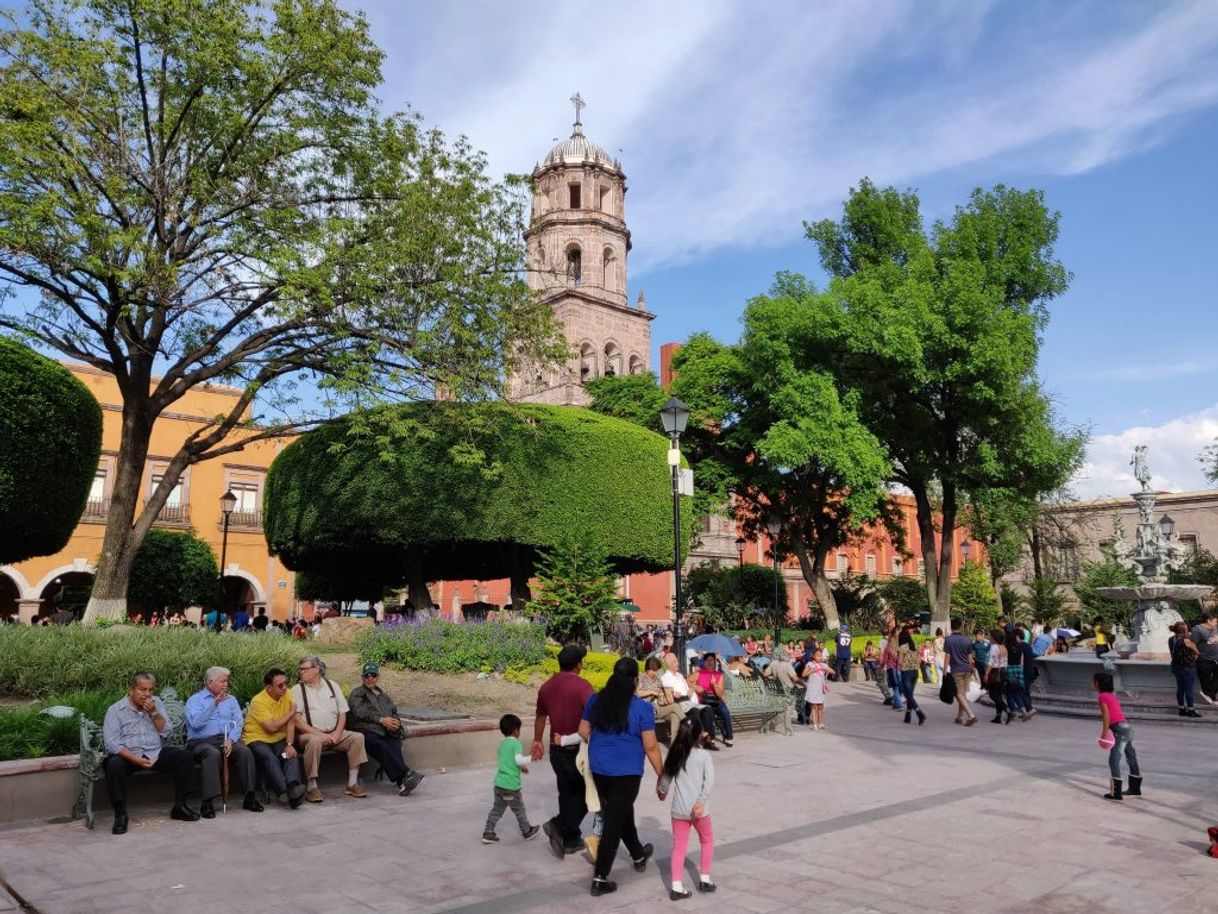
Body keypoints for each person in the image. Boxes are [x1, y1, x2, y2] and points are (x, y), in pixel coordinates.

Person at [578, 657, 665, 897]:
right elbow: (651, 747)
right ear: (635, 681)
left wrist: (602, 745)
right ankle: (600, 877)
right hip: (626, 773)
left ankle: (638, 854)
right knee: (613, 823)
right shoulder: (642, 708)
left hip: (600, 769)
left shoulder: (596, 701)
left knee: (620, 812)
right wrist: (663, 776)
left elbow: (583, 730)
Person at [102, 672, 199, 835]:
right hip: (129, 756)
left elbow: (166, 730)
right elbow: (112, 743)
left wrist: (154, 713)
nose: (147, 694)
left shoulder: (156, 704)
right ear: (131, 689)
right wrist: (136, 760)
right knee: (113, 764)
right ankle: (120, 815)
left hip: (154, 752)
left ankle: (180, 807)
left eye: (150, 690)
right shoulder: (116, 710)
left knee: (184, 756)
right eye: (142, 689)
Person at [532, 644, 596, 859]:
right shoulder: (583, 687)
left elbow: (540, 717)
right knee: (588, 797)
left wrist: (537, 740)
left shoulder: (546, 687)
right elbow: (595, 717)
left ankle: (570, 840)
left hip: (555, 749)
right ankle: (557, 825)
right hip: (577, 750)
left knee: (566, 793)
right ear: (579, 664)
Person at [291, 655, 369, 802]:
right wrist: (320, 735)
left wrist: (338, 732)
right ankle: (312, 787)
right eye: (300, 669)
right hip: (308, 734)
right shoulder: (297, 689)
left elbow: (342, 712)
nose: (301, 672)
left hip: (333, 733)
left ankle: (352, 783)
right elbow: (297, 721)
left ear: (317, 669)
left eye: (305, 669)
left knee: (357, 737)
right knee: (314, 741)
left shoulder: (332, 685)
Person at [185, 665, 261, 816]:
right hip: (202, 742)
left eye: (227, 681)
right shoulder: (195, 700)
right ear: (210, 682)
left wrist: (231, 740)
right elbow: (196, 724)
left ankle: (250, 796)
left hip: (227, 739)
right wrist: (214, 704)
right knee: (211, 754)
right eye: (223, 681)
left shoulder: (231, 700)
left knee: (245, 752)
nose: (226, 684)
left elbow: (238, 722)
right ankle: (208, 801)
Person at [658, 717, 716, 899]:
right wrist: (700, 802)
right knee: (706, 840)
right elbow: (709, 782)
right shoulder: (704, 756)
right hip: (699, 810)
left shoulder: (675, 754)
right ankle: (705, 879)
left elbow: (665, 780)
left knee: (679, 847)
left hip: (679, 810)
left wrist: (662, 792)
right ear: (699, 734)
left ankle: (676, 886)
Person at [347, 661, 425, 795]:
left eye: (373, 675)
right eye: (367, 676)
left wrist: (396, 724)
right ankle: (406, 773)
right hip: (364, 731)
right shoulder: (358, 693)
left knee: (394, 744)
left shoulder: (385, 697)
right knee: (379, 744)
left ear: (378, 677)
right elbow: (358, 711)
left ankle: (403, 783)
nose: (370, 678)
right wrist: (381, 720)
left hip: (384, 732)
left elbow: (394, 712)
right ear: (362, 678)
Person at [241, 667, 307, 808]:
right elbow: (271, 728)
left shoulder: (287, 694)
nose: (284, 688)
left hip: (279, 739)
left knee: (289, 754)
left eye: (286, 683)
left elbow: (290, 723)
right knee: (269, 757)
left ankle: (293, 787)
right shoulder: (258, 701)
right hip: (257, 739)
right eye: (280, 685)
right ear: (269, 687)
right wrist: (291, 713)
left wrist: (289, 744)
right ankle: (284, 791)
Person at [481, 714, 541, 844]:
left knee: (496, 810)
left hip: (499, 785)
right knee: (519, 809)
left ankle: (488, 832)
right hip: (511, 787)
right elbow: (518, 759)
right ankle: (527, 831)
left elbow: (508, 762)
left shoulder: (502, 744)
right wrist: (532, 758)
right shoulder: (516, 743)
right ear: (515, 730)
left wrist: (521, 768)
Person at [1094, 670, 1141, 801]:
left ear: (1098, 684)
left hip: (1119, 729)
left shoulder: (1102, 696)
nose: (1092, 684)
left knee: (1114, 758)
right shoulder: (1111, 695)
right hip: (1126, 727)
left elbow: (1106, 715)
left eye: (1093, 682)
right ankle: (1135, 788)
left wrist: (1104, 733)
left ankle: (1116, 793)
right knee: (1131, 755)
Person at [659, 652, 717, 751]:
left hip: (688, 702)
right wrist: (674, 694)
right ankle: (697, 739)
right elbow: (668, 696)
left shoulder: (680, 676)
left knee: (708, 709)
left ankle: (708, 740)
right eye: (675, 661)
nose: (678, 663)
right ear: (669, 664)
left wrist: (690, 691)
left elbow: (687, 689)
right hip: (678, 703)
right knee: (695, 711)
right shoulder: (664, 678)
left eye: (677, 661)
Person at [636, 655, 683, 744]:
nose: (656, 673)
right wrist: (651, 692)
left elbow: (661, 693)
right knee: (675, 707)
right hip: (645, 708)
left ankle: (674, 746)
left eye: (657, 670)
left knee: (675, 716)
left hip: (658, 707)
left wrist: (669, 693)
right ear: (649, 669)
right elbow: (637, 693)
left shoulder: (657, 680)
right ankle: (690, 725)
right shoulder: (641, 677)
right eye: (654, 670)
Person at [692, 653, 733, 748]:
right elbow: (687, 681)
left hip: (716, 700)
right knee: (708, 712)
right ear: (704, 662)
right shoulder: (699, 673)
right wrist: (696, 686)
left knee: (725, 712)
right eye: (708, 660)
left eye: (712, 660)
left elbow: (720, 695)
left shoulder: (719, 675)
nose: (710, 662)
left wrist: (715, 685)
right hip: (704, 700)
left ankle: (729, 736)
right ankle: (710, 737)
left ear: (715, 662)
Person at [943, 618, 977, 726]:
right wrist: (972, 668)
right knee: (962, 694)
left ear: (951, 627)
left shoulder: (949, 639)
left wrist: (944, 670)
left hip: (956, 669)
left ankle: (971, 715)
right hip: (967, 669)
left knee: (958, 693)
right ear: (961, 627)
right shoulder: (967, 640)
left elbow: (947, 656)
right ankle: (959, 717)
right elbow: (970, 657)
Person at [1168, 621, 1201, 717]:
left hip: (1176, 667)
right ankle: (1191, 710)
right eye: (1187, 629)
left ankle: (1181, 708)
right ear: (1184, 630)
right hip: (1187, 668)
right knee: (1189, 689)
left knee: (1180, 689)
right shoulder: (1186, 640)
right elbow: (1197, 652)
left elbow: (1172, 654)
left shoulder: (1171, 640)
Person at [896, 627, 926, 725]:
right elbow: (919, 661)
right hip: (915, 672)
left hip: (906, 672)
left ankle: (919, 712)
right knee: (910, 695)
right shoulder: (915, 646)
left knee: (908, 695)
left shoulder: (902, 648)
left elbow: (900, 661)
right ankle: (908, 715)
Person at [1190, 611, 1218, 704]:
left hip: (1216, 657)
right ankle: (1213, 698)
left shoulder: (1216, 628)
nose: (1216, 623)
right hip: (1203, 658)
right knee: (1205, 679)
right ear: (1208, 621)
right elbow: (1193, 644)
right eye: (1215, 621)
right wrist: (1196, 655)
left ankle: (1209, 694)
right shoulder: (1197, 629)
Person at [801, 648, 830, 730]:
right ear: (813, 656)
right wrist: (812, 670)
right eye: (817, 656)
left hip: (820, 688)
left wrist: (825, 668)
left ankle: (821, 723)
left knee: (820, 706)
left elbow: (833, 671)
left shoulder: (822, 664)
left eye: (821, 656)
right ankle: (815, 724)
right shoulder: (809, 664)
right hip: (813, 688)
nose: (819, 657)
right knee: (814, 706)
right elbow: (803, 674)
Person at [986, 628, 1010, 724]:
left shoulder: (994, 647)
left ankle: (1007, 710)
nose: (989, 638)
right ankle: (998, 716)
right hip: (1003, 671)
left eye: (990, 636)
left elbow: (991, 662)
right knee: (999, 694)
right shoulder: (1003, 647)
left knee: (992, 694)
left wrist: (986, 674)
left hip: (995, 672)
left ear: (994, 638)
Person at [881, 629, 902, 712]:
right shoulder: (900, 648)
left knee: (895, 687)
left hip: (891, 669)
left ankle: (898, 704)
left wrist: (881, 666)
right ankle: (896, 702)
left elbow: (885, 660)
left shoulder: (888, 648)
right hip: (900, 669)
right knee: (900, 686)